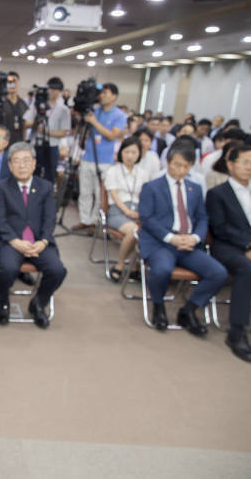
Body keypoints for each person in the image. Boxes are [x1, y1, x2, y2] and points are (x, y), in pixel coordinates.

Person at [138, 139, 227, 335]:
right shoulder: (151, 187)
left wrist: (195, 237)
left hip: (188, 244)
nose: (181, 170)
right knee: (162, 270)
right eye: (177, 164)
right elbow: (147, 219)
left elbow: (203, 217)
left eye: (186, 166)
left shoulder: (194, 188)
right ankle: (159, 306)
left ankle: (188, 310)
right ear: (168, 163)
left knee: (218, 273)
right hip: (162, 243)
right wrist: (171, 238)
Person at [0, 143, 67, 327]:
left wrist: (44, 241)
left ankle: (39, 303)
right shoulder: (2, 187)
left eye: (26, 161)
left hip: (38, 242)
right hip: (10, 242)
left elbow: (49, 218)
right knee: (6, 269)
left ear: (34, 164)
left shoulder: (45, 187)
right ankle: (4, 301)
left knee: (57, 270)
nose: (21, 165)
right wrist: (16, 242)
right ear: (9, 165)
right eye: (17, 161)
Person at [206, 142, 251, 361]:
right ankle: (237, 332)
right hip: (228, 247)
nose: (249, 167)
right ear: (230, 165)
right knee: (247, 268)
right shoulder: (217, 193)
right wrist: (247, 246)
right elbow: (220, 228)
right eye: (245, 162)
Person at [73, 83, 127, 232]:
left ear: (114, 96)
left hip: (104, 161)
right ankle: (85, 220)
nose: (101, 96)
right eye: (101, 93)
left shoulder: (119, 115)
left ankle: (95, 221)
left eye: (105, 93)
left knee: (99, 194)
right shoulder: (94, 111)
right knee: (84, 191)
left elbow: (112, 135)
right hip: (87, 157)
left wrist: (94, 122)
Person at [103, 137, 153, 282]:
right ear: (121, 153)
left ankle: (137, 266)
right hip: (118, 211)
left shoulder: (143, 173)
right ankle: (120, 265)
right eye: (127, 152)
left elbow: (147, 196)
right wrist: (127, 211)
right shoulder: (113, 171)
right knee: (134, 232)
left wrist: (141, 212)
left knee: (149, 230)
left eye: (134, 152)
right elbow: (114, 194)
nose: (130, 156)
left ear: (139, 154)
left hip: (139, 210)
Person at [22, 77, 71, 183]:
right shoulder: (37, 104)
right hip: (35, 144)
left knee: (50, 174)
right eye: (50, 88)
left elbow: (64, 132)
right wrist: (36, 124)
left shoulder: (63, 109)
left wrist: (44, 131)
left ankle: (48, 197)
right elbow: (25, 123)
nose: (51, 92)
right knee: (33, 173)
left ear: (60, 91)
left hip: (52, 146)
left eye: (55, 89)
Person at [0, 71, 29, 145]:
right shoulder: (0, 102)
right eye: (9, 82)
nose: (12, 84)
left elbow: (24, 126)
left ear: (19, 84)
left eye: (14, 81)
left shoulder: (23, 104)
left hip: (18, 142)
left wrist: (24, 142)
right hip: (2, 141)